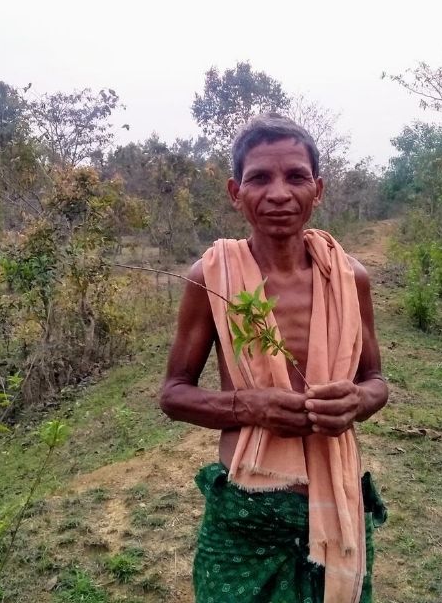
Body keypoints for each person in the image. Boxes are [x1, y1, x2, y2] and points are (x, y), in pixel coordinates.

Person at [161, 113, 389, 603]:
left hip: (337, 505)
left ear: (318, 189)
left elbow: (376, 381)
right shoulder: (212, 278)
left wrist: (356, 402)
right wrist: (250, 407)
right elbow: (173, 394)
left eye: (296, 177)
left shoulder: (351, 279)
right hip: (247, 513)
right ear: (235, 192)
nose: (279, 193)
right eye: (259, 178)